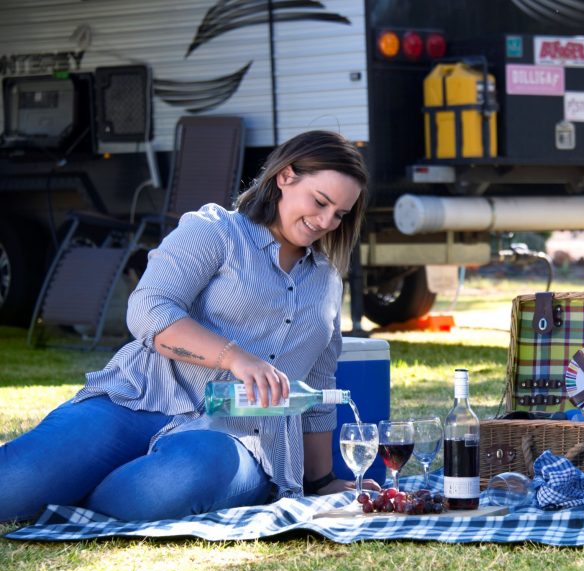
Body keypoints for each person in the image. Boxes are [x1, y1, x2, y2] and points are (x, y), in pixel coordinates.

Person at [1, 130, 380, 523]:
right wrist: (234, 357)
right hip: (140, 401)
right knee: (11, 490)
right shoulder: (216, 231)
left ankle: (77, 500)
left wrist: (320, 483)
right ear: (285, 177)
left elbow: (317, 388)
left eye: (339, 214)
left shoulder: (327, 282)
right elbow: (148, 308)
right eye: (320, 202)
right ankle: (67, 488)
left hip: (236, 441)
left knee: (180, 478)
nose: (325, 221)